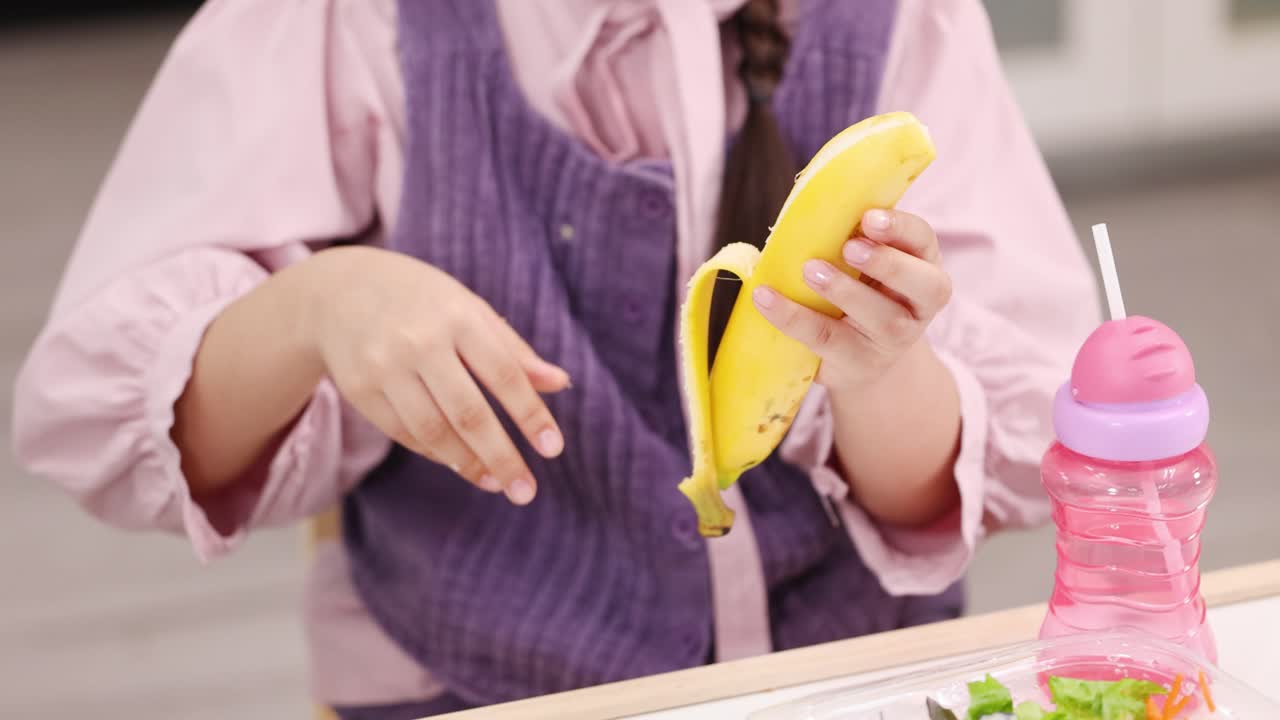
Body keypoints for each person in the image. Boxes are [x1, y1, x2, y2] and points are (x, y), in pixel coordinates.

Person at [11, 0, 1100, 717]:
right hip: (465, 682)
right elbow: (107, 422)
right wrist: (316, 308)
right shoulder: (342, 24)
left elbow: (974, 472)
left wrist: (877, 368)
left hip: (847, 679)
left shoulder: (899, 19)